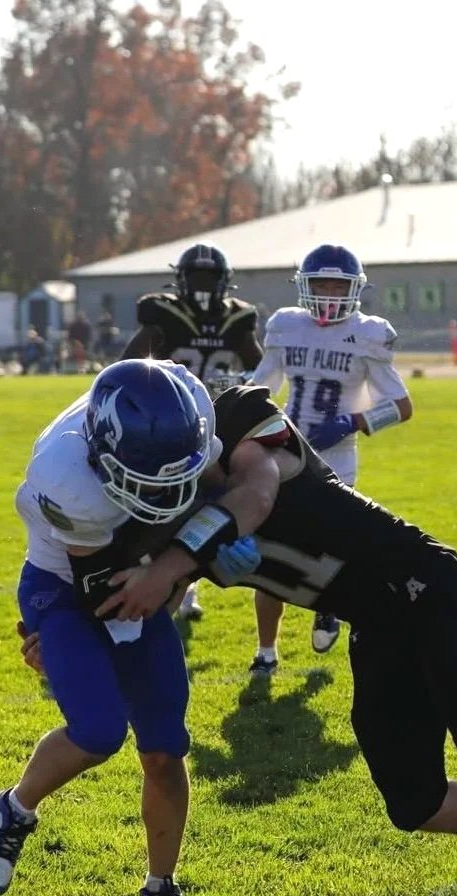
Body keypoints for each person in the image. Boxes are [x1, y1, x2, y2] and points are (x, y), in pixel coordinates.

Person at [85, 389, 457, 896]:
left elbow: (254, 497)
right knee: (415, 803)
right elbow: (145, 598)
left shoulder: (243, 430)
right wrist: (65, 631)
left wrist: (179, 560)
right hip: (379, 622)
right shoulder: (168, 514)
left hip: (426, 588)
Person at [0, 359, 243, 896]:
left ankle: (160, 885)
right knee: (97, 730)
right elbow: (106, 591)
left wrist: (200, 554)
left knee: (166, 745)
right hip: (65, 584)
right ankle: (13, 810)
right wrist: (68, 645)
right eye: (149, 476)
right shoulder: (67, 478)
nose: (164, 487)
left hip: (139, 565)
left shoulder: (191, 410)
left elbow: (217, 490)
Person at [247, 243, 413, 671]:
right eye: (319, 283)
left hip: (336, 460)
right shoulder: (286, 326)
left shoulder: (368, 334)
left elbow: (400, 404)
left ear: (354, 290)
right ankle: (266, 651)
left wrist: (349, 422)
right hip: (285, 451)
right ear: (303, 285)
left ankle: (327, 606)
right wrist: (252, 414)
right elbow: (261, 386)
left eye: (337, 285)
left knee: (328, 548)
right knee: (269, 552)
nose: (328, 293)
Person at [123, 241, 263, 622]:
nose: (203, 284)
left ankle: (184, 588)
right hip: (170, 423)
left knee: (205, 501)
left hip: (217, 421)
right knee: (168, 501)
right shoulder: (162, 315)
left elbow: (262, 371)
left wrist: (240, 383)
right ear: (181, 280)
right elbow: (128, 365)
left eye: (209, 277)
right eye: (197, 276)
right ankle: (159, 579)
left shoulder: (237, 320)